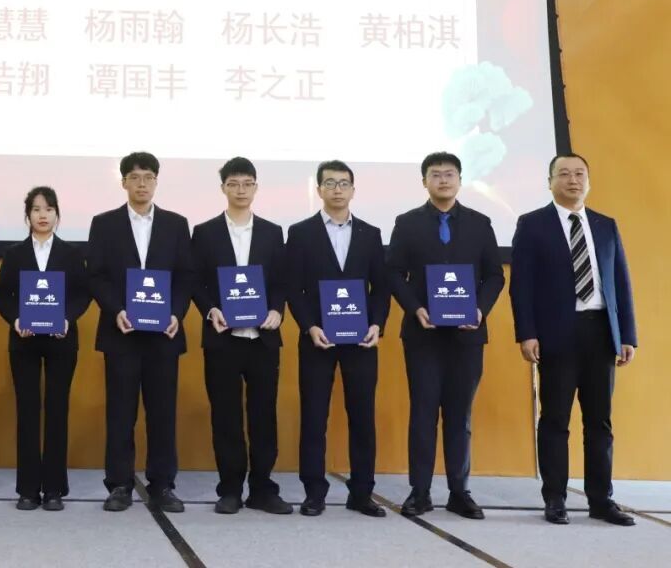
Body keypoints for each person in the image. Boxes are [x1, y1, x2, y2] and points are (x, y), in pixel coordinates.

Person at [510, 153, 638, 526]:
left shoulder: (605, 225)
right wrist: (527, 333)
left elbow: (620, 282)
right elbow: (521, 286)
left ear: (588, 181)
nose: (572, 180)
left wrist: (626, 334)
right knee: (555, 419)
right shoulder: (532, 224)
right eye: (563, 174)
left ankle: (601, 500)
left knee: (600, 421)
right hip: (557, 334)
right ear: (550, 181)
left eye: (579, 174)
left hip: (600, 333)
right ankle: (555, 499)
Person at [387, 151, 503, 519]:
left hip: (467, 336)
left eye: (449, 174)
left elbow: (495, 275)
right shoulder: (407, 223)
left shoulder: (480, 223)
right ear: (424, 181)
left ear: (460, 180)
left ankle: (459, 491)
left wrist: (480, 309)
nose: (443, 180)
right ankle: (419, 492)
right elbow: (392, 273)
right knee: (423, 414)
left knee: (459, 416)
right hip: (423, 335)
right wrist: (414, 308)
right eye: (435, 174)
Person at [87, 151, 194, 513]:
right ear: (123, 183)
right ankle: (119, 484)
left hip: (164, 335)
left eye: (148, 177)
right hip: (122, 333)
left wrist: (176, 313)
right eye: (134, 177)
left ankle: (162, 485)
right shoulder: (104, 224)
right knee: (121, 413)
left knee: (162, 413)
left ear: (156, 181)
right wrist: (116, 310)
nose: (142, 184)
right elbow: (96, 275)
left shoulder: (176, 224)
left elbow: (186, 276)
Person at [287, 160, 389, 518]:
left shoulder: (370, 234)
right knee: (314, 416)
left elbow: (381, 287)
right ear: (319, 189)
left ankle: (362, 492)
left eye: (344, 183)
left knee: (362, 416)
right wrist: (308, 326)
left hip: (361, 341)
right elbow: (293, 288)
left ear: (353, 190)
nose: (337, 189)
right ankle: (314, 491)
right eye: (329, 183)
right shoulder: (300, 233)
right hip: (318, 339)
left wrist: (377, 324)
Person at [190, 157, 289, 515]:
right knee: (226, 416)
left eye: (247, 183)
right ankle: (230, 488)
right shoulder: (205, 232)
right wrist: (209, 309)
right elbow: (195, 281)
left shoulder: (272, 232)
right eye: (233, 184)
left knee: (264, 415)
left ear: (256, 187)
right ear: (223, 189)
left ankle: (262, 488)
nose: (241, 190)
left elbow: (280, 280)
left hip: (263, 339)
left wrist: (277, 308)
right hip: (223, 339)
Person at [0, 186, 92, 512]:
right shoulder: (14, 254)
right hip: (24, 342)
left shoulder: (71, 253)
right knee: (27, 411)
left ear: (57, 215)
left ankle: (54, 489)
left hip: (62, 340)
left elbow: (82, 293)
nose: (43, 215)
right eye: (36, 209)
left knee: (57, 410)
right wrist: (15, 318)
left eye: (48, 209)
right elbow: (1, 295)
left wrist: (67, 318)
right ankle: (27, 489)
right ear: (28, 216)